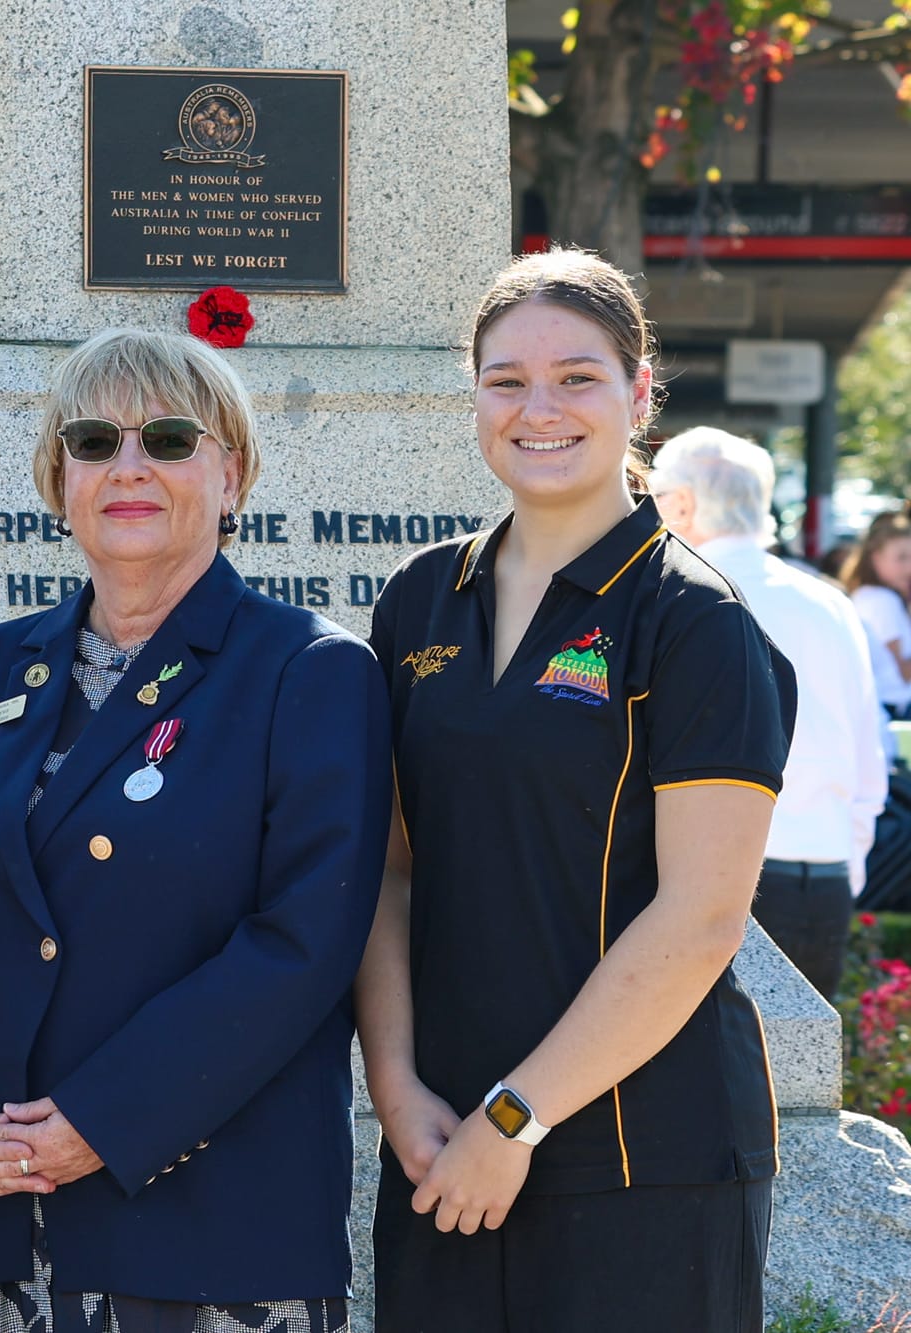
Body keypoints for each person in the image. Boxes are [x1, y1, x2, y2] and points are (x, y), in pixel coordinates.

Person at [0, 328, 390, 1332]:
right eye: (94, 440)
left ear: (230, 474)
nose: (128, 466)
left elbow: (301, 945)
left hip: (212, 1239)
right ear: (58, 479)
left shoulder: (306, 673)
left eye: (170, 438)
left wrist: (101, 1120)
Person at [358, 249, 797, 1333]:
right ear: (471, 398)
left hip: (641, 1155)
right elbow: (386, 873)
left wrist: (513, 1119)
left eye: (576, 376)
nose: (536, 407)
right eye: (504, 380)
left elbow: (698, 919)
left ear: (638, 392)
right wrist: (396, 1088)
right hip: (441, 1148)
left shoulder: (693, 621)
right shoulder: (418, 601)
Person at [651, 426, 887, 1000]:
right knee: (803, 1080)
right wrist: (843, 865)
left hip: (721, 886)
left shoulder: (677, 595)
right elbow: (867, 758)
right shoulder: (830, 600)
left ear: (681, 503)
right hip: (825, 872)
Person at [842, 511, 911, 755]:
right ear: (876, 558)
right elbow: (902, 671)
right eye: (901, 558)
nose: (909, 566)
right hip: (894, 711)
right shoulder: (882, 601)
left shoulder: (870, 596)